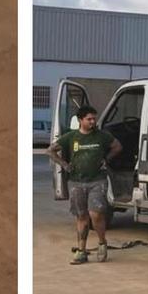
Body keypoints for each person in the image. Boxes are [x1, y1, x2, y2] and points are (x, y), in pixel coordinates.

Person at [47, 105, 122, 264]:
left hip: (97, 181)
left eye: (94, 118)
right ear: (80, 120)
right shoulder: (71, 137)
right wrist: (64, 164)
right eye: (89, 119)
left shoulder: (102, 136)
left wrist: (106, 160)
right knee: (81, 216)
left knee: (96, 214)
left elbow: (117, 146)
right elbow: (50, 151)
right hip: (76, 182)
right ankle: (81, 251)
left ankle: (102, 243)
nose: (93, 122)